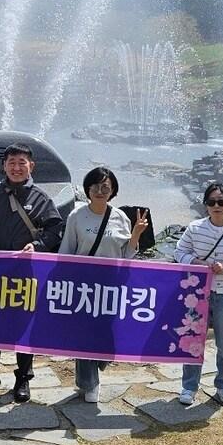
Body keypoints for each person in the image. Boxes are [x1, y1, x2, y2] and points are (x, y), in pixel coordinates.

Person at [0, 143, 64, 402]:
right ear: (4, 166)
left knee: (23, 325)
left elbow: (55, 230)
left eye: (22, 162)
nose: (16, 168)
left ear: (31, 166)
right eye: (11, 163)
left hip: (26, 271)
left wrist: (37, 246)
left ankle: (23, 379)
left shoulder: (41, 198)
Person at [58, 167, 149, 403]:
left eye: (105, 186)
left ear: (113, 191)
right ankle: (90, 384)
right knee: (85, 334)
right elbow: (67, 251)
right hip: (83, 286)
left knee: (107, 336)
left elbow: (127, 256)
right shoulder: (76, 217)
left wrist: (136, 235)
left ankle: (93, 369)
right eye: (95, 186)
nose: (100, 190)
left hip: (111, 287)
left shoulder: (120, 217)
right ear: (87, 189)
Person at [175, 182, 223, 407]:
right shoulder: (194, 228)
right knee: (192, 341)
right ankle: (189, 387)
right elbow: (180, 252)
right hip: (197, 294)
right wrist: (196, 262)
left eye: (221, 202)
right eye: (212, 202)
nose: (216, 206)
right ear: (205, 205)